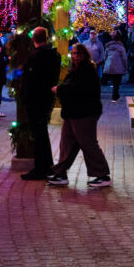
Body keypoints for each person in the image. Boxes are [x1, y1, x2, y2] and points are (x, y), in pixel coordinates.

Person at [46, 43, 111, 188]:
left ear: (84, 55)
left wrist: (60, 89)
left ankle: (102, 174)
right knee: (67, 143)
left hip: (84, 113)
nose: (75, 56)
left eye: (78, 54)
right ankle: (61, 173)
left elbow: (78, 89)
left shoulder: (87, 70)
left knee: (88, 143)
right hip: (73, 112)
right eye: (73, 53)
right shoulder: (76, 70)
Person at [19, 27, 62, 181]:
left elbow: (30, 80)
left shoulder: (35, 57)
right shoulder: (54, 55)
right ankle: (47, 164)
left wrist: (24, 95)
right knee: (42, 133)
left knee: (38, 135)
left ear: (33, 39)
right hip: (47, 97)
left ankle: (40, 168)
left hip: (35, 100)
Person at [103, 32, 129, 103]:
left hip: (109, 66)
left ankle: (115, 95)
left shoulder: (108, 46)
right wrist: (126, 67)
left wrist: (106, 64)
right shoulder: (121, 47)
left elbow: (105, 57)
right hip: (118, 66)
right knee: (117, 82)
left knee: (114, 82)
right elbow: (124, 58)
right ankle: (115, 96)